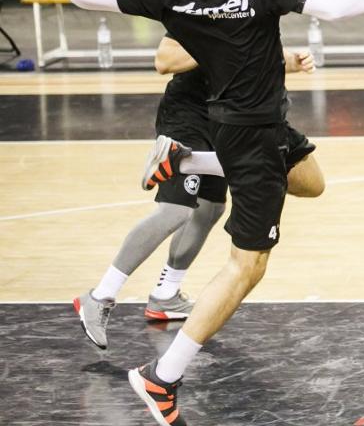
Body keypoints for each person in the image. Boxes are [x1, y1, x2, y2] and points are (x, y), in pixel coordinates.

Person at [69, 0, 364, 426]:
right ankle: (162, 377)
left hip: (253, 129)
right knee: (247, 266)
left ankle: (190, 159)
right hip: (250, 134)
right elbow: (331, 8)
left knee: (310, 181)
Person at [72, 41, 315, 349]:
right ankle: (99, 296)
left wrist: (290, 60)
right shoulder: (199, 12)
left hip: (226, 118)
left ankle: (165, 295)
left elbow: (255, 53)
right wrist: (223, 43)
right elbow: (164, 60)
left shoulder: (254, 15)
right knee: (175, 210)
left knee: (210, 208)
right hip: (187, 116)